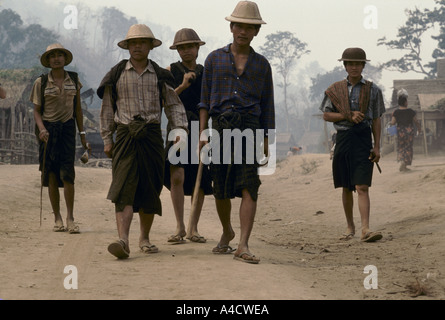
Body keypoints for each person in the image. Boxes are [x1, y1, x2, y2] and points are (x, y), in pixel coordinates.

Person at [97, 24, 188, 259]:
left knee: (150, 187)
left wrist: (179, 129)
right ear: (127, 47)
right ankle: (123, 240)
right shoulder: (116, 74)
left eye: (142, 42)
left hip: (151, 137)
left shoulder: (159, 75)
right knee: (123, 187)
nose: (137, 46)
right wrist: (107, 139)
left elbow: (174, 104)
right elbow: (107, 109)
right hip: (125, 136)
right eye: (133, 43)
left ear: (150, 46)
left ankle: (144, 238)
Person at [198, 1, 275, 264]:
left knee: (248, 186)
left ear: (256, 32)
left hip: (250, 127)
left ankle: (243, 244)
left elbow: (268, 104)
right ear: (231, 27)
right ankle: (227, 231)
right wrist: (202, 133)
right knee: (220, 186)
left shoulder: (262, 65)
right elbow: (204, 101)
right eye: (239, 25)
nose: (243, 31)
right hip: (219, 126)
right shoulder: (213, 59)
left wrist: (266, 138)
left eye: (250, 27)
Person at [319, 47, 385, 242]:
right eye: (350, 64)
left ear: (363, 66)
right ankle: (350, 227)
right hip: (343, 138)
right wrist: (348, 115)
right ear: (345, 66)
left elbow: (376, 119)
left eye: (358, 64)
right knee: (346, 186)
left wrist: (377, 146)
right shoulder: (335, 89)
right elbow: (326, 114)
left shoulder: (373, 90)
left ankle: (366, 228)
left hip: (363, 139)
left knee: (362, 185)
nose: (354, 67)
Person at [30, 43, 89, 233]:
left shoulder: (74, 79)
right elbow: (37, 111)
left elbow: (78, 110)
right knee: (51, 174)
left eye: (59, 55)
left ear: (65, 59)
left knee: (68, 174)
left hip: (68, 129)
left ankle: (70, 218)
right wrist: (41, 129)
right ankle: (57, 218)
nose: (56, 58)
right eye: (52, 56)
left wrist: (82, 135)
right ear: (48, 61)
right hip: (48, 131)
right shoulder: (41, 82)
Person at [164, 28, 213, 244]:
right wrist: (183, 85)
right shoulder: (170, 71)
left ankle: (193, 227)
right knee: (177, 174)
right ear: (177, 50)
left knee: (199, 179)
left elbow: (207, 104)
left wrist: (203, 133)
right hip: (177, 127)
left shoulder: (206, 73)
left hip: (200, 127)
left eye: (190, 47)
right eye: (182, 48)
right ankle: (179, 226)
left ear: (198, 48)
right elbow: (165, 100)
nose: (186, 51)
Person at [390, 89, 421, 172]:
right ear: (405, 102)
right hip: (409, 131)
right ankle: (405, 164)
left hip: (400, 132)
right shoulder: (411, 111)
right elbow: (416, 121)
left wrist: (391, 123)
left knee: (401, 147)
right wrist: (419, 129)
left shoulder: (396, 112)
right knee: (408, 147)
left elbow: (392, 123)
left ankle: (402, 162)